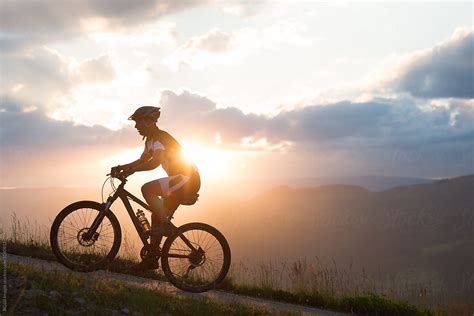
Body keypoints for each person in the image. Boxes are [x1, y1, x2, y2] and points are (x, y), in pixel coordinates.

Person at [111, 106, 200, 269]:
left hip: (187, 179)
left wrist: (131, 170)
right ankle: (152, 259)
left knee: (147, 189)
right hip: (180, 179)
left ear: (148, 121)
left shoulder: (159, 138)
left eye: (138, 122)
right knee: (156, 217)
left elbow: (154, 162)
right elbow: (141, 161)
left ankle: (164, 226)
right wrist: (122, 168)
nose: (136, 126)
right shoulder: (150, 140)